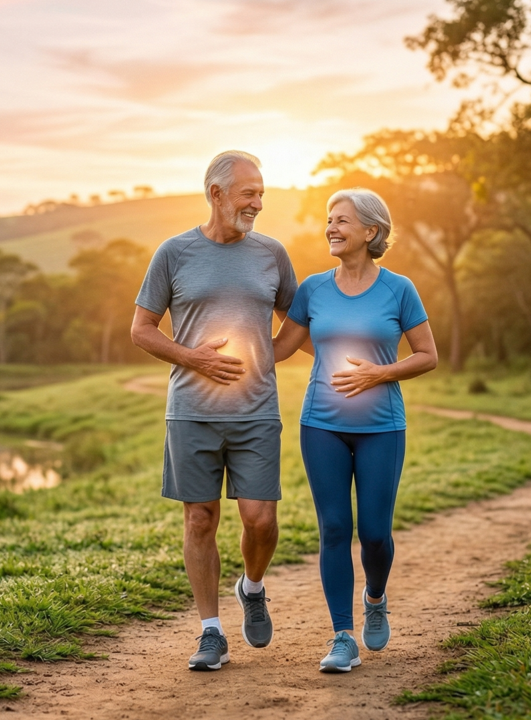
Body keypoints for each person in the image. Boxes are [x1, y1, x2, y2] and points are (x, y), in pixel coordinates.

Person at [131, 150, 299, 671]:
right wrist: (192, 357)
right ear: (216, 194)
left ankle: (252, 586)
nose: (258, 204)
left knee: (261, 519)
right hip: (192, 412)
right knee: (200, 518)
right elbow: (141, 329)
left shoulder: (272, 254)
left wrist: (268, 353)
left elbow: (298, 320)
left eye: (262, 194)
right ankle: (211, 632)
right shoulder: (174, 253)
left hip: (256, 410)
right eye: (249, 193)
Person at [271, 188, 438, 673]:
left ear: (371, 231)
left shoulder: (399, 289)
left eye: (342, 220)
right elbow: (280, 349)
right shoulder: (313, 289)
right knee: (334, 529)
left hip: (381, 427)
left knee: (375, 534)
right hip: (321, 424)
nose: (331, 228)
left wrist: (378, 374)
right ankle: (342, 636)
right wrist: (225, 327)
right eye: (329, 219)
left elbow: (428, 356)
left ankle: (376, 596)